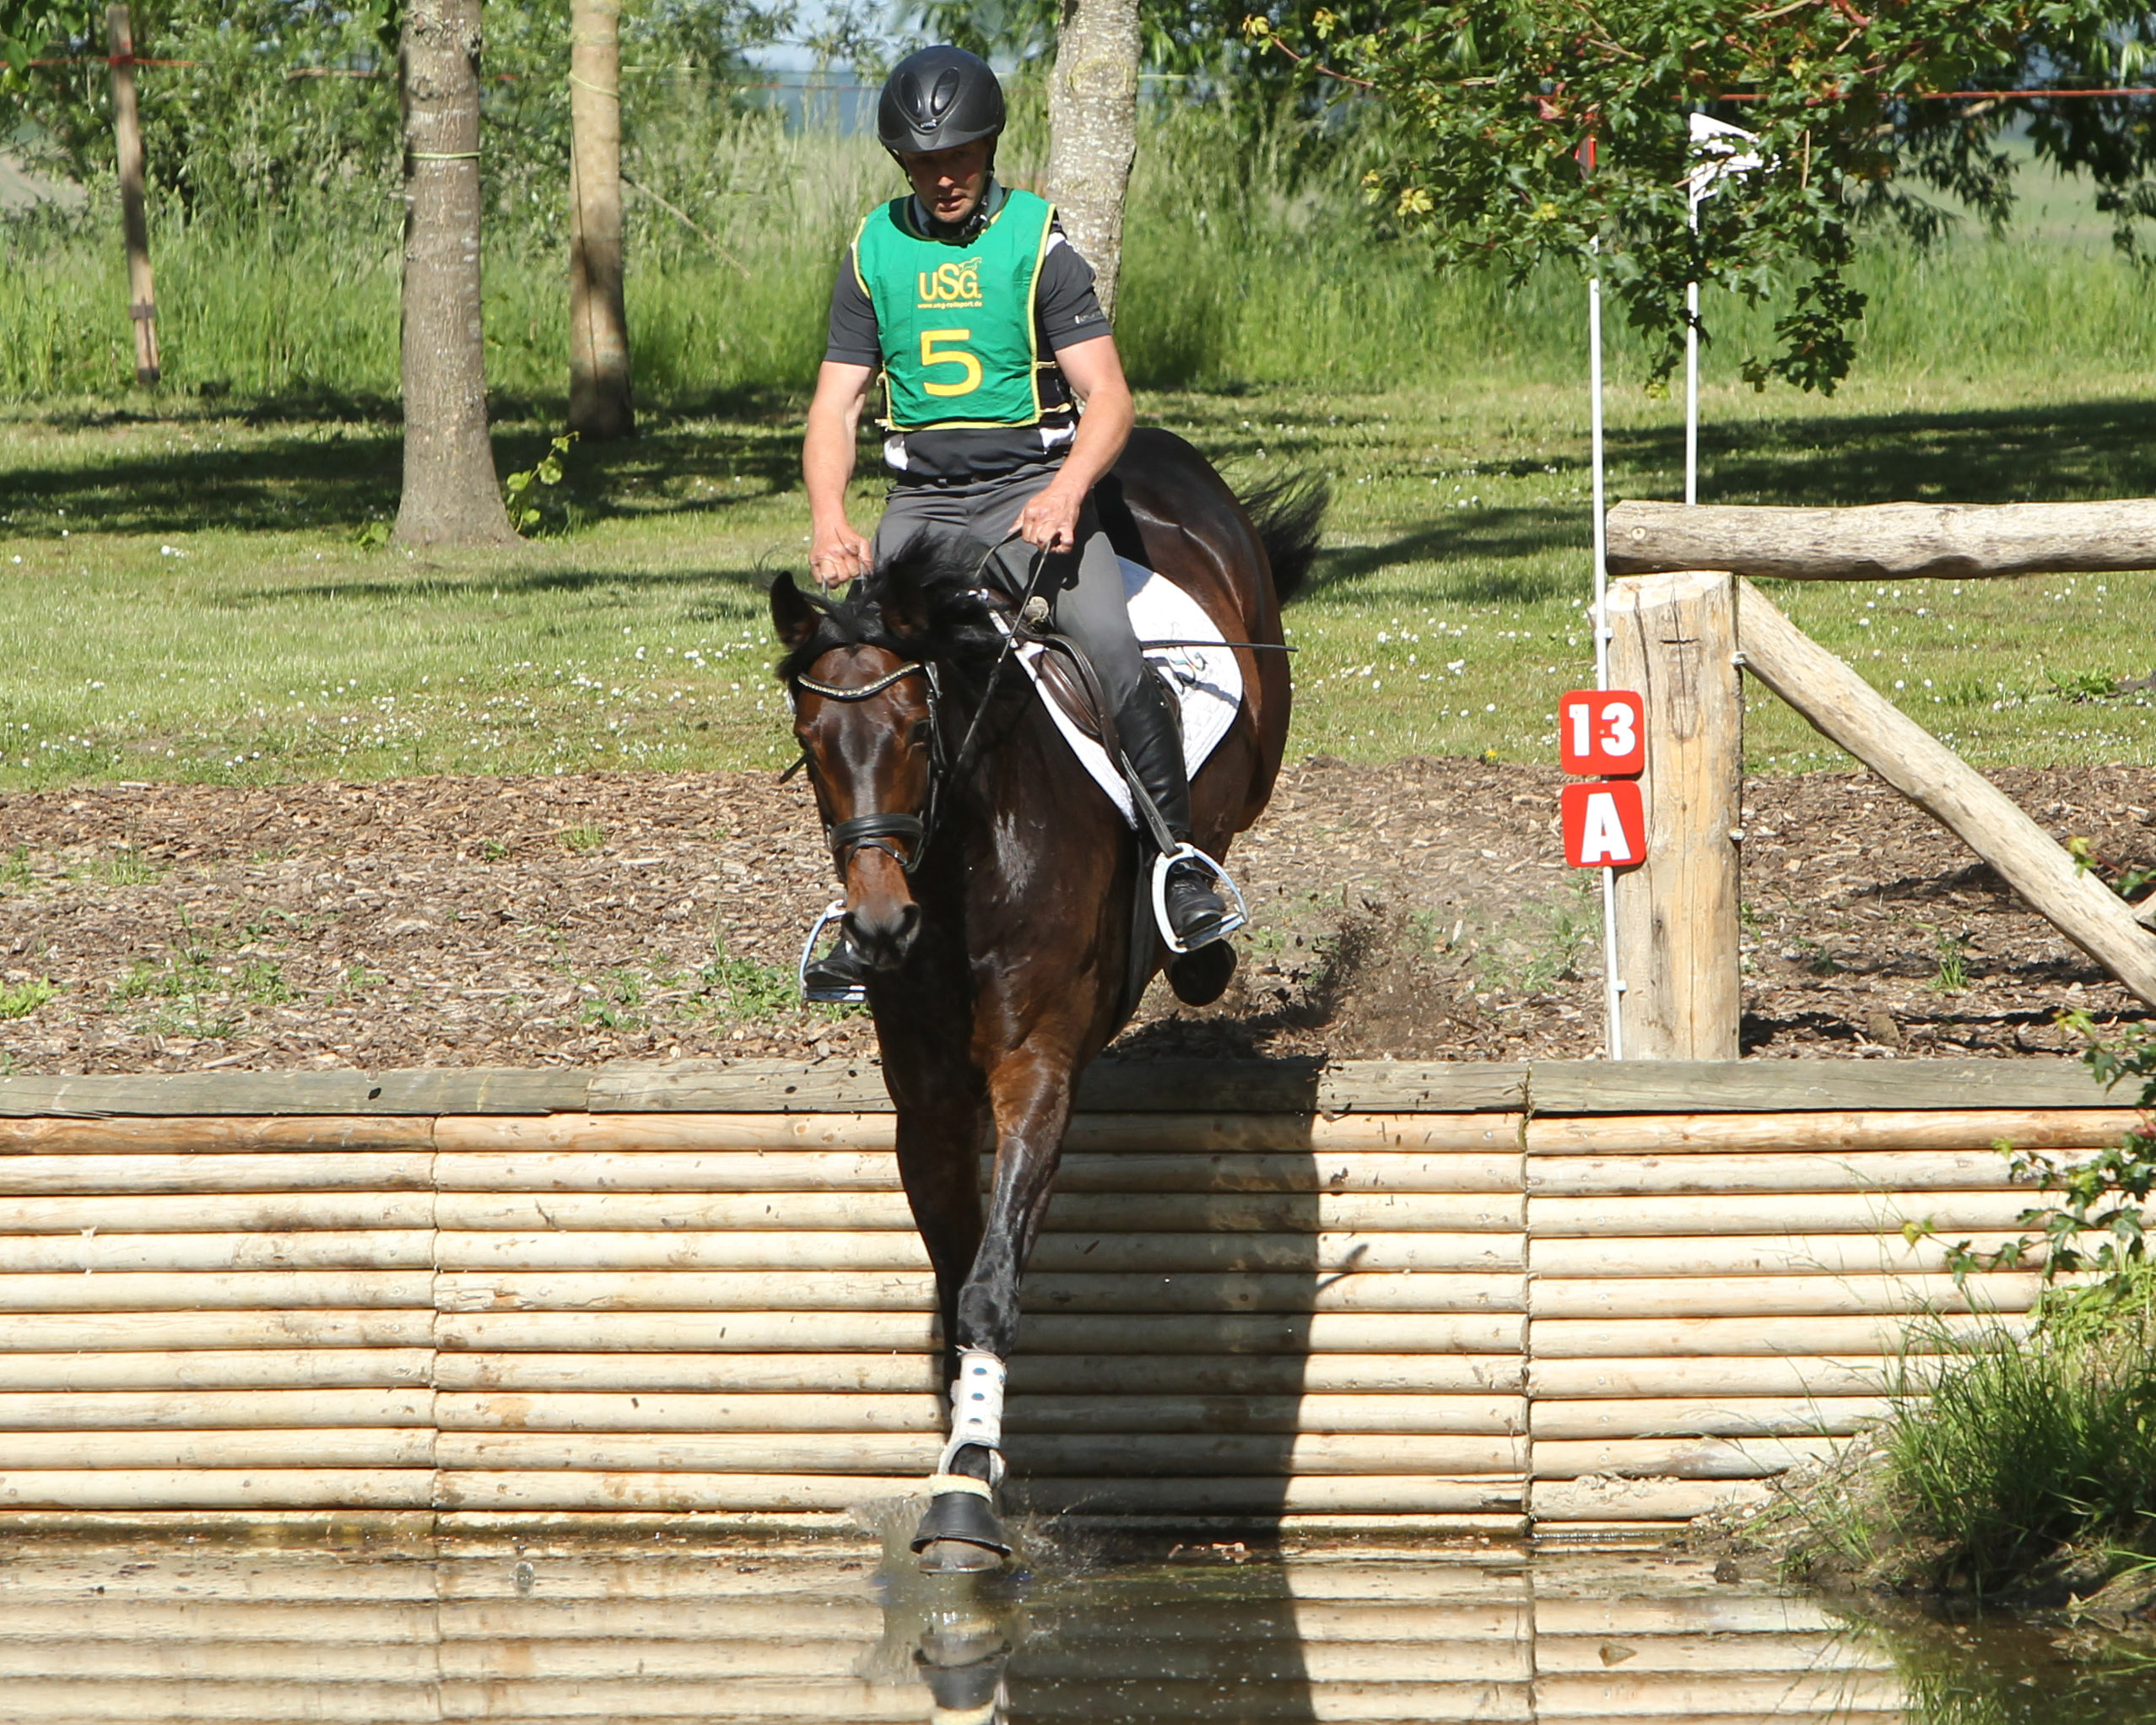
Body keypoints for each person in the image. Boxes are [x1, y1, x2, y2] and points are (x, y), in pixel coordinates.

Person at [798, 44, 1229, 998]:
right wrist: (831, 515)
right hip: (920, 506)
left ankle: (1180, 866)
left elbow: (1107, 398)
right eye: (924, 162)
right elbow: (834, 408)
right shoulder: (872, 250)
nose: (944, 176)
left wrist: (1068, 489)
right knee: (855, 685)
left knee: (1112, 650)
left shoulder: (1038, 241)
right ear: (901, 165)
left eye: (959, 156)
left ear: (988, 147)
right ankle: (864, 909)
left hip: (1027, 492)